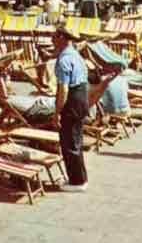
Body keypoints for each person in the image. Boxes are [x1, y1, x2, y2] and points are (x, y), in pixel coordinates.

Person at [53, 25, 90, 191]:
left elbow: (63, 89)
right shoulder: (76, 55)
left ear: (61, 38)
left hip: (73, 100)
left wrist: (57, 112)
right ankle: (80, 177)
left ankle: (77, 181)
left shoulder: (64, 60)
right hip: (82, 97)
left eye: (54, 36)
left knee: (69, 141)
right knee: (76, 140)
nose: (52, 39)